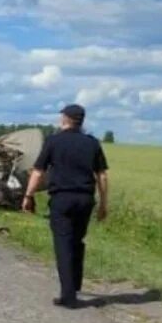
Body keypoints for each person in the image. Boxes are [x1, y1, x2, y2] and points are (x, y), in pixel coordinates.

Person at [22, 104, 109, 309]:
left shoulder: (54, 141)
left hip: (62, 198)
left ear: (65, 119)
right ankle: (75, 285)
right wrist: (104, 203)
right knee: (77, 241)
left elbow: (38, 171)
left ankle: (68, 296)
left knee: (63, 244)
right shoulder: (92, 143)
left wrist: (28, 195)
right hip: (85, 199)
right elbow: (102, 175)